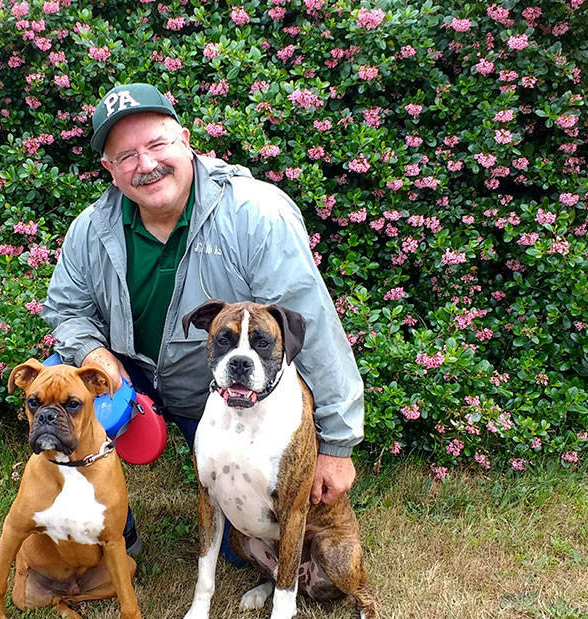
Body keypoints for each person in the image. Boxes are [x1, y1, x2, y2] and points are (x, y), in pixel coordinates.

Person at [42, 83, 364, 554]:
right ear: (110, 172)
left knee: (243, 547)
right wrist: (94, 354)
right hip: (127, 380)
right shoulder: (90, 229)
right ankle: (109, 533)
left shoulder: (256, 213)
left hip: (220, 393)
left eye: (156, 144)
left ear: (186, 141)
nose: (146, 165)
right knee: (59, 378)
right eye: (126, 156)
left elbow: (309, 327)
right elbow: (66, 310)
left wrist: (335, 446)